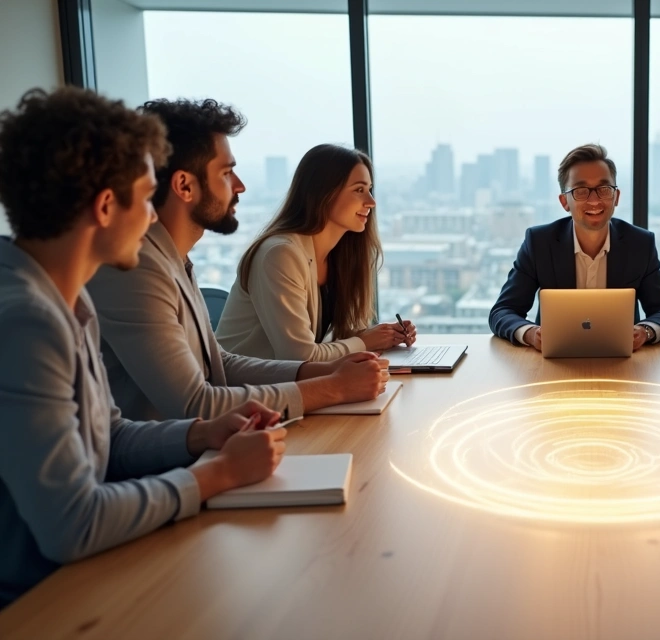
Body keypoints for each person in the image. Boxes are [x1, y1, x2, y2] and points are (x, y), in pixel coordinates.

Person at [0, 88, 286, 607]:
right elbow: (72, 524)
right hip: (38, 604)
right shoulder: (27, 321)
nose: (155, 218)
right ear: (106, 206)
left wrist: (203, 432)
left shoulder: (67, 300)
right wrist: (218, 473)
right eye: (145, 196)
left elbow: (110, 436)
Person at [86, 99, 389, 421]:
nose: (240, 185)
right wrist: (332, 387)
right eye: (227, 172)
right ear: (184, 185)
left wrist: (326, 370)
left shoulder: (173, 260)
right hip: (174, 455)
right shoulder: (135, 271)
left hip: (205, 443)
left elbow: (220, 364)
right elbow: (195, 404)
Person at [216, 144, 414, 361]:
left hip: (286, 387)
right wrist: (366, 341)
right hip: (243, 390)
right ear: (324, 194)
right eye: (359, 190)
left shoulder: (339, 256)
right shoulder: (280, 255)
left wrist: (384, 335)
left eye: (369, 190)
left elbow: (333, 342)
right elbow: (299, 356)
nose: (371, 202)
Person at [489, 143, 660, 351]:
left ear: (616, 197)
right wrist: (530, 334)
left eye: (604, 189)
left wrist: (645, 331)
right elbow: (503, 311)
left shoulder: (640, 244)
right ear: (564, 202)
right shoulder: (539, 243)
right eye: (581, 191)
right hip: (553, 364)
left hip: (623, 364)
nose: (594, 200)